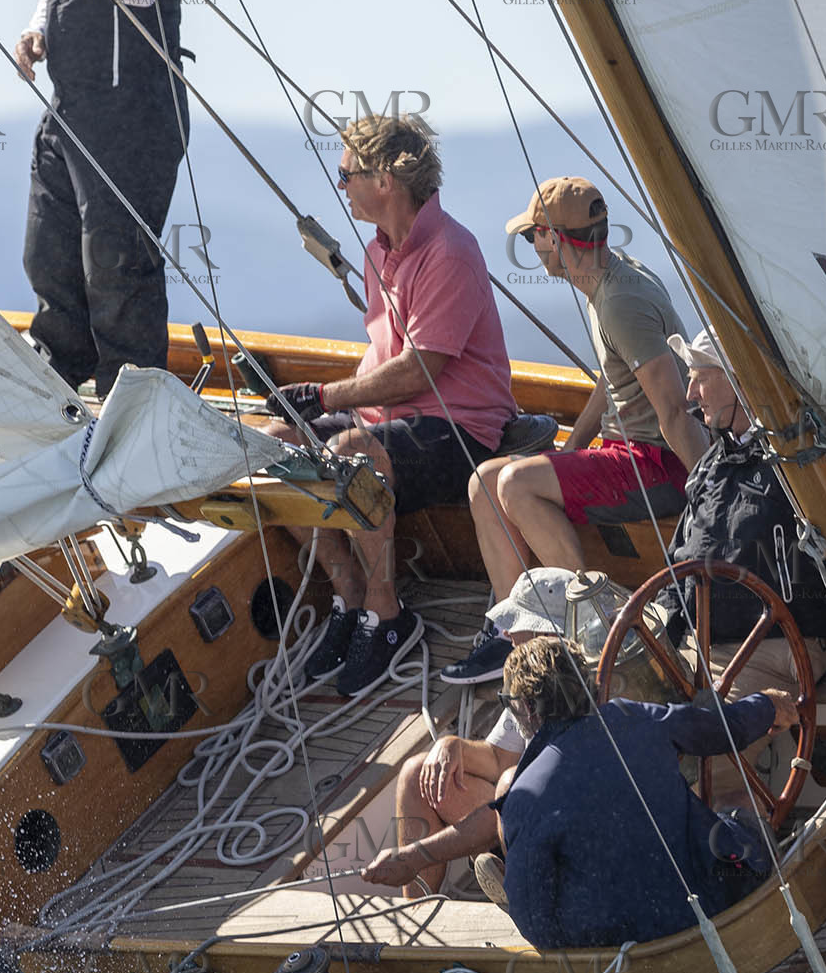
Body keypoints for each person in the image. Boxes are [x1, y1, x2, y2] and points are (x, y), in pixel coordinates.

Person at [263, 114, 516, 696]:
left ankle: (388, 615)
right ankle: (350, 596)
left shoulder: (450, 252)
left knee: (350, 451)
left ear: (385, 182)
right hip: (394, 420)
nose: (340, 183)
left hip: (461, 429)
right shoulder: (382, 255)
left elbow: (421, 369)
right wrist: (305, 410)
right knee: (274, 443)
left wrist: (325, 397)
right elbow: (383, 358)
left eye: (347, 173)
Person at [443, 176, 706, 686]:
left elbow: (674, 410)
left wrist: (708, 495)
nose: (532, 249)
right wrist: (569, 452)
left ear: (557, 239)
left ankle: (592, 629)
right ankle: (513, 635)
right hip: (629, 451)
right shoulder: (605, 282)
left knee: (514, 484)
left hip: (659, 462)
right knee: (485, 483)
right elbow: (613, 382)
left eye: (532, 237)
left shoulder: (620, 302)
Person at [13, 0, 189, 398]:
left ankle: (129, 397)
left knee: (117, 265)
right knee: (50, 249)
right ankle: (60, 374)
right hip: (74, 109)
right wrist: (37, 29)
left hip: (131, 119)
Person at [492, 639, 797, 948]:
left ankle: (512, 881)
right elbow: (721, 729)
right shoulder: (633, 716)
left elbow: (537, 925)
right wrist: (767, 706)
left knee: (543, 885)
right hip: (717, 898)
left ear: (528, 709)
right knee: (740, 807)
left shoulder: (522, 798)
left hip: (628, 943)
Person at [661, 326, 826, 804]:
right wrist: (659, 628)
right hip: (698, 642)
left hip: (775, 646)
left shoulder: (801, 462)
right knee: (614, 714)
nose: (691, 392)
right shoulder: (711, 466)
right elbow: (676, 561)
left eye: (700, 376)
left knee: (701, 763)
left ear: (738, 379)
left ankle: (729, 852)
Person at [362, 570, 574, 896]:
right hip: (526, 813)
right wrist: (452, 746)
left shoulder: (577, 689)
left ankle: (524, 891)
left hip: (566, 832)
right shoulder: (533, 680)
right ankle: (415, 918)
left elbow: (511, 801)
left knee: (510, 789)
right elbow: (497, 758)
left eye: (518, 625)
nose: (507, 633)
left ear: (547, 632)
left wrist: (413, 857)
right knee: (418, 773)